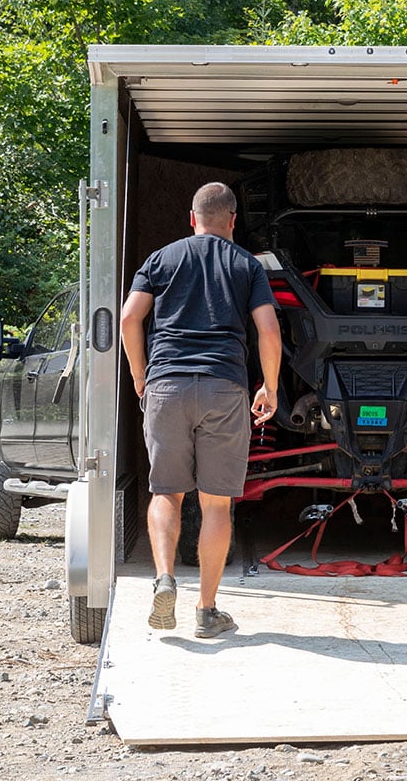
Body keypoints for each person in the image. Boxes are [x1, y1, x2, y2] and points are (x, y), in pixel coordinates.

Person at [119, 181, 282, 639]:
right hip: (223, 388)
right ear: (233, 221)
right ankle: (207, 612)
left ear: (192, 219)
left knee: (166, 493)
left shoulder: (161, 259)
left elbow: (130, 317)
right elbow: (268, 330)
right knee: (216, 505)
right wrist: (269, 386)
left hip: (166, 385)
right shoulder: (245, 264)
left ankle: (165, 578)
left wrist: (139, 374)